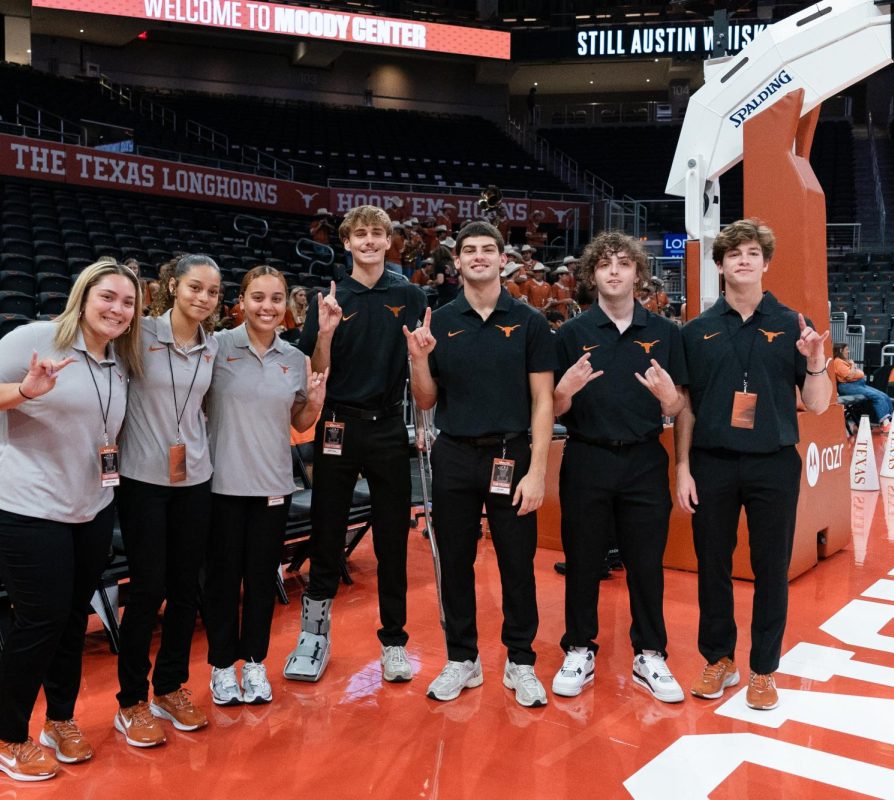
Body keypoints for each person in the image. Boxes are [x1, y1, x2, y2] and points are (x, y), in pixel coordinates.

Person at [0, 258, 142, 781]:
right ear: (83, 296)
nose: (117, 308)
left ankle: (60, 720)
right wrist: (23, 392)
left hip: (90, 506)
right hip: (27, 507)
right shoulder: (37, 338)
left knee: (71, 618)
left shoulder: (119, 360)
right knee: (41, 618)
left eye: (128, 302)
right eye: (107, 297)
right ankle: (4, 736)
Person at [675, 219, 830, 712]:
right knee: (713, 567)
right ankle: (719, 658)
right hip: (712, 463)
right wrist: (682, 466)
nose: (743, 260)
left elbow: (819, 404)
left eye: (752, 253)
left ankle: (764, 670)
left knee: (770, 569)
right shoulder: (696, 330)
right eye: (733, 253)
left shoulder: (793, 325)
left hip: (773, 464)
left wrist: (814, 363)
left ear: (765, 262)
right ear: (719, 265)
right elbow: (686, 407)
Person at [405, 220, 556, 707]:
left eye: (487, 249)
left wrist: (537, 470)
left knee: (517, 562)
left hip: (512, 455)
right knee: (455, 562)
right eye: (469, 250)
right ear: (457, 261)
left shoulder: (530, 321)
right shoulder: (440, 321)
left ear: (502, 259)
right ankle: (462, 658)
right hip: (454, 454)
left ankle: (520, 660)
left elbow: (542, 402)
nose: (478, 257)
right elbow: (426, 402)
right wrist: (420, 360)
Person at [283, 204, 427, 683]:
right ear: (345, 243)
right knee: (326, 534)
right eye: (359, 234)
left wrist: (423, 420)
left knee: (391, 539)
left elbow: (420, 363)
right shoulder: (331, 296)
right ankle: (313, 637)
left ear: (389, 241)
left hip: (388, 426)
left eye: (377, 234)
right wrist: (324, 332)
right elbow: (315, 367)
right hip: (336, 425)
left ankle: (394, 641)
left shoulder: (409, 294)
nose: (368, 241)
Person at [551, 231, 688, 705]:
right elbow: (552, 409)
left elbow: (680, 405)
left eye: (623, 263)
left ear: (637, 273)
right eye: (605, 264)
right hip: (586, 456)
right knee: (583, 561)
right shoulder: (570, 335)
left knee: (646, 563)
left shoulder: (667, 333)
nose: (614, 271)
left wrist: (671, 403)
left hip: (644, 459)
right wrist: (564, 392)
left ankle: (650, 652)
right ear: (592, 275)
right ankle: (579, 647)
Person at [203, 266, 327, 705]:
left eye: (276, 298)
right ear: (241, 301)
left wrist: (313, 404)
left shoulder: (295, 359)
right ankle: (221, 667)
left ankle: (254, 663)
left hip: (273, 486)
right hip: (220, 485)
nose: (267, 307)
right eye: (258, 297)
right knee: (220, 581)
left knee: (261, 580)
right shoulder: (215, 347)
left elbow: (299, 421)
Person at [112, 255, 221, 749]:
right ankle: (131, 699)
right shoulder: (137, 333)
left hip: (195, 478)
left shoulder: (212, 346)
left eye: (213, 292)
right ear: (173, 286)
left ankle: (170, 687)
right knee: (147, 588)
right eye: (195, 287)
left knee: (185, 588)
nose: (203, 297)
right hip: (142, 479)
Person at [831, 343, 892, 432]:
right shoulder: (838, 361)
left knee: (884, 396)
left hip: (858, 384)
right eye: (846, 349)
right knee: (877, 397)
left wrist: (853, 367)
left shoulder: (843, 361)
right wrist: (853, 365)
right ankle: (885, 423)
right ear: (841, 351)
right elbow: (849, 376)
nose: (848, 352)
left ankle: (888, 421)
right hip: (848, 387)